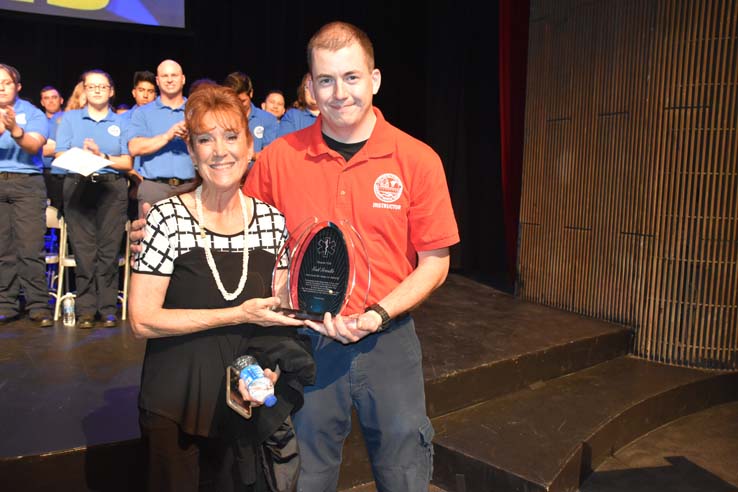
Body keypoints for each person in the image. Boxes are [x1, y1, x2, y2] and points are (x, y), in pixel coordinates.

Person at [131, 21, 459, 491]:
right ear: (310, 86)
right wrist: (164, 218)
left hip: (387, 339)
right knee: (304, 476)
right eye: (325, 80)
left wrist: (377, 313)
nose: (339, 92)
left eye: (351, 77)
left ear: (375, 79)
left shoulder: (418, 160)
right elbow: (232, 211)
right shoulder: (280, 159)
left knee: (404, 466)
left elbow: (435, 262)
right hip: (303, 342)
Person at [129, 84, 314, 491]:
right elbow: (142, 320)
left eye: (231, 137)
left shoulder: (271, 221)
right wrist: (236, 314)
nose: (219, 151)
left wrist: (271, 367)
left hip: (243, 403)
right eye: (205, 139)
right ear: (192, 153)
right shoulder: (167, 218)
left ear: (250, 147)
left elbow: (278, 313)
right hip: (175, 401)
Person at [55, 69, 132, 329]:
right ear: (84, 90)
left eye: (102, 86)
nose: (97, 90)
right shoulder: (70, 118)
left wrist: (100, 157)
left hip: (111, 188)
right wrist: (81, 157)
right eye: (91, 86)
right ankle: (86, 309)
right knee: (84, 252)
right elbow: (59, 153)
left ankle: (108, 308)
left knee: (109, 251)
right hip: (78, 186)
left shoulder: (122, 122)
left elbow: (127, 161)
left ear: (111, 91)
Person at [0, 64, 53, 327]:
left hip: (27, 183)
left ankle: (38, 305)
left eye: (6, 82)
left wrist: (14, 130)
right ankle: (6, 304)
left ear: (17, 86)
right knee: (2, 249)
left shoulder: (32, 113)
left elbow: (35, 144)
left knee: (30, 248)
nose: (1, 86)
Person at [128, 60, 194, 209]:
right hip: (154, 188)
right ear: (157, 81)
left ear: (183, 79)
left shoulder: (196, 110)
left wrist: (190, 140)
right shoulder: (142, 113)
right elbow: (134, 148)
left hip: (190, 187)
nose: (170, 80)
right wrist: (167, 136)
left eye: (174, 75)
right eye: (165, 76)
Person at [222, 72, 278, 161]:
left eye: (242, 101)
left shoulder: (268, 119)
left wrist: (251, 155)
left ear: (251, 93)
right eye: (234, 101)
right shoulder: (221, 119)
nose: (238, 105)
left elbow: (270, 155)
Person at [39, 85, 66, 210]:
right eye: (46, 98)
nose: (50, 101)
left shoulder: (69, 120)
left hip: (62, 174)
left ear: (61, 100)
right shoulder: (37, 120)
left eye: (54, 97)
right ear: (42, 102)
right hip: (39, 174)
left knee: (61, 211)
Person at [277, 73, 319, 137]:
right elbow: (283, 144)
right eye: (308, 87)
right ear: (303, 91)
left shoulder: (333, 117)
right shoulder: (292, 116)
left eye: (316, 87)